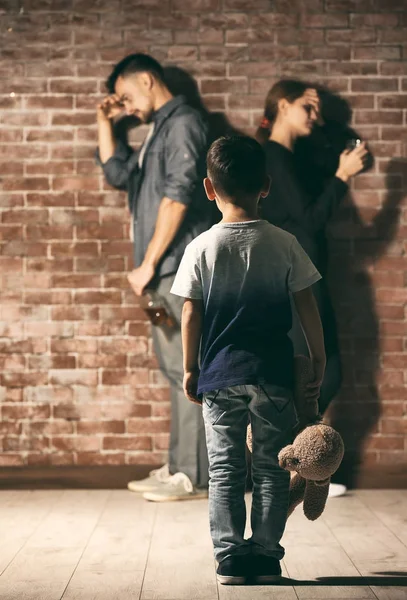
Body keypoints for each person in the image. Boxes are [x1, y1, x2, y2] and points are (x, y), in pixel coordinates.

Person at [170, 135, 326, 585]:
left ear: (207, 187)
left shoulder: (201, 247)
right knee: (273, 470)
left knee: (224, 469)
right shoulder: (283, 243)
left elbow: (190, 312)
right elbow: (307, 305)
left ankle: (229, 558)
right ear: (267, 185)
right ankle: (266, 554)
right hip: (273, 376)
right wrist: (318, 357)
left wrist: (189, 368)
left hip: (219, 375)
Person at [96, 53, 213, 501]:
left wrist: (147, 264)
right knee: (174, 368)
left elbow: (179, 198)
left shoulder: (183, 124)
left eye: (127, 96)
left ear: (148, 80)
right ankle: (182, 466)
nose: (127, 108)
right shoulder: (155, 133)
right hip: (164, 273)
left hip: (177, 268)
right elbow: (116, 172)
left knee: (190, 369)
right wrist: (103, 120)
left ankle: (195, 476)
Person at [255, 80, 369, 497]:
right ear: (283, 106)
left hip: (302, 274)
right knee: (320, 369)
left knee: (317, 370)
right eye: (308, 107)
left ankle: (290, 465)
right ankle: (292, 466)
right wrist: (342, 177)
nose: (315, 116)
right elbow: (307, 221)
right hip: (295, 277)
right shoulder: (272, 156)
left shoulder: (287, 158)